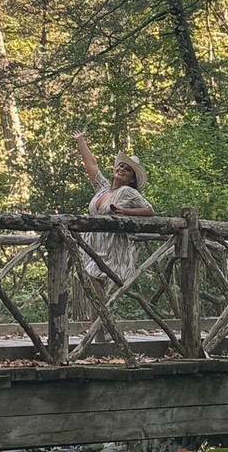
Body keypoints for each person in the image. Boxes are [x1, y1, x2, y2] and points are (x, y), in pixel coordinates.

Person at [72, 131, 154, 329]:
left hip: (111, 246)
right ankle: (100, 332)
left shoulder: (128, 191)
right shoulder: (103, 188)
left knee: (94, 284)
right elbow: (92, 166)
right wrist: (81, 141)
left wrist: (126, 211)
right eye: (121, 166)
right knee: (93, 288)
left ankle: (102, 331)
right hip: (93, 244)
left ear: (132, 178)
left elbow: (149, 210)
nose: (122, 169)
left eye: (128, 169)